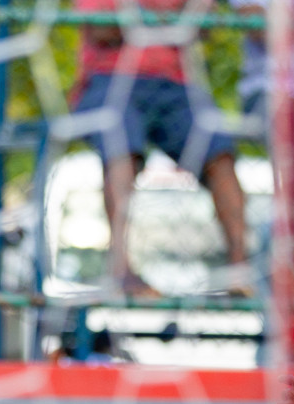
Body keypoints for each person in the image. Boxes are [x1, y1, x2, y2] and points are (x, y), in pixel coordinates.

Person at [71, 0, 250, 296]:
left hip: (174, 83)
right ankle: (121, 270)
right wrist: (169, 19)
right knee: (122, 150)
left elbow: (206, 24)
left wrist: (145, 18)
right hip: (110, 77)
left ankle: (239, 270)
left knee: (220, 153)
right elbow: (101, 27)